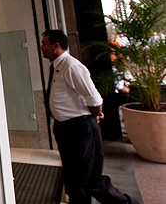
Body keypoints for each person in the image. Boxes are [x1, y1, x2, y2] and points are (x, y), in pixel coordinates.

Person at [41, 30, 140, 204]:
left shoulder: (72, 66)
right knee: (73, 176)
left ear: (56, 46)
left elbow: (94, 98)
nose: (41, 48)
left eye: (44, 43)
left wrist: (95, 115)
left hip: (80, 128)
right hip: (64, 129)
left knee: (90, 178)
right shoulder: (54, 66)